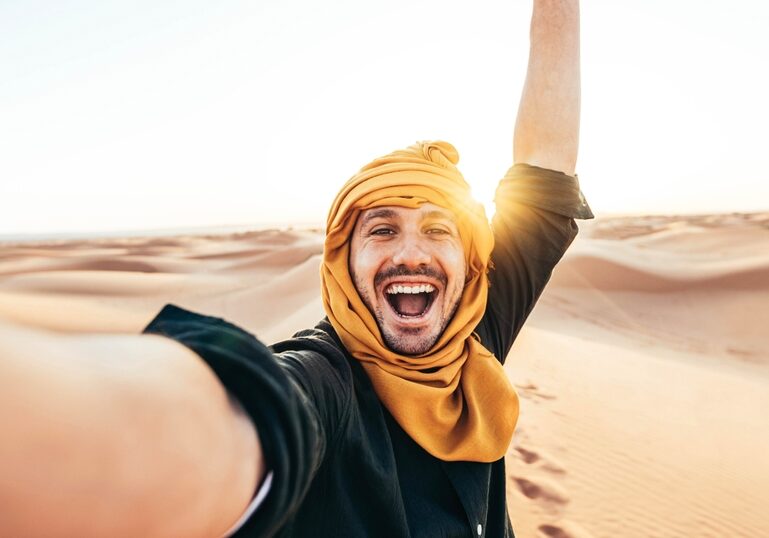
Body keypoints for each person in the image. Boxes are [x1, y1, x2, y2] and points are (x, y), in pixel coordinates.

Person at [0, 0, 592, 536]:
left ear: (470, 264)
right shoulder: (324, 384)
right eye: (382, 229)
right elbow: (233, 416)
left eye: (438, 229)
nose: (411, 252)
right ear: (342, 260)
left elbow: (544, 169)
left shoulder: (475, 333)